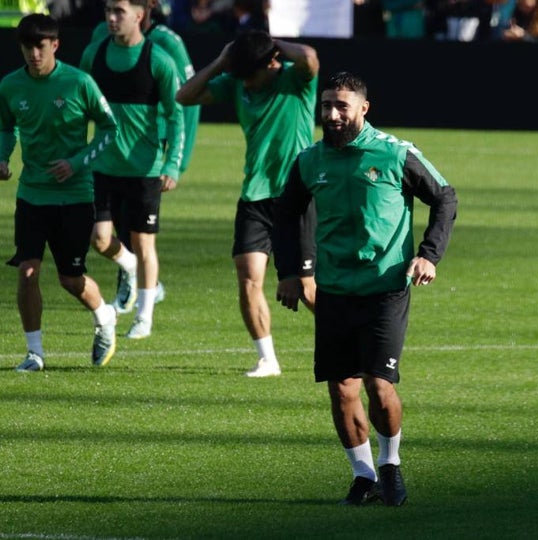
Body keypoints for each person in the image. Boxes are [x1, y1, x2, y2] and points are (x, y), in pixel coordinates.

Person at [273, 72, 458, 506]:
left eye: (341, 106)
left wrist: (429, 254)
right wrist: (291, 271)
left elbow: (445, 197)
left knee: (378, 382)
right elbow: (287, 213)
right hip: (334, 289)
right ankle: (362, 475)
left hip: (385, 286)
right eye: (326, 107)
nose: (332, 114)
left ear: (363, 109)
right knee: (341, 388)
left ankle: (391, 466)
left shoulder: (396, 153)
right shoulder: (310, 160)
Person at [176, 29, 319, 378]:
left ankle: (352, 343)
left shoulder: (294, 81)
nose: (248, 85)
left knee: (306, 288)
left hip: (296, 195)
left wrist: (273, 44)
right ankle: (267, 360)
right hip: (254, 196)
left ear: (273, 63)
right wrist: (222, 62)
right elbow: (184, 96)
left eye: (252, 76)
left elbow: (310, 57)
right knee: (248, 279)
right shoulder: (238, 82)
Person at [0, 13, 119, 371]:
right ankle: (34, 352)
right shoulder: (9, 86)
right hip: (32, 194)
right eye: (27, 46)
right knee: (28, 271)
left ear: (55, 45)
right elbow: (6, 128)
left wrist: (77, 162)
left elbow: (109, 130)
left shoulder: (79, 83)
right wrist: (3, 158)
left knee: (70, 279)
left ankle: (104, 316)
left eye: (41, 45)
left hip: (75, 196)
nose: (34, 53)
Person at [79, 0, 185, 339]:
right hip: (103, 165)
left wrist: (172, 164)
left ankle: (144, 318)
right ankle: (129, 268)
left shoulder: (159, 60)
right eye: (108, 11)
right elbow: (80, 109)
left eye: (119, 12)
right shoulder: (93, 55)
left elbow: (176, 114)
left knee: (143, 243)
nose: (111, 18)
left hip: (145, 169)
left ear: (139, 15)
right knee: (99, 240)